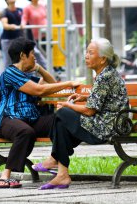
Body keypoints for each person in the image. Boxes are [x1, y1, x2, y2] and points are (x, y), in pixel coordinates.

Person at [34, 38, 129, 190]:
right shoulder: (106, 73)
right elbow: (106, 99)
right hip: (107, 122)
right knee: (61, 125)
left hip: (107, 127)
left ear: (103, 59)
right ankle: (62, 175)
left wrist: (67, 105)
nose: (86, 56)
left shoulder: (105, 76)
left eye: (91, 53)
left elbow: (89, 111)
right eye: (86, 52)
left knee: (63, 113)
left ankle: (55, 159)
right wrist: (85, 97)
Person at [0, 38, 81, 188]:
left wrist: (39, 68)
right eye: (32, 54)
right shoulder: (10, 73)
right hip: (7, 119)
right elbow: (39, 90)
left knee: (62, 119)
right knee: (25, 132)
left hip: (30, 120)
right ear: (22, 55)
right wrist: (69, 83)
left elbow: (51, 84)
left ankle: (54, 159)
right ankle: (8, 174)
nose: (35, 57)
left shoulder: (28, 78)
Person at [21, 0, 47, 69]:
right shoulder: (27, 8)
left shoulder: (43, 6)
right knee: (38, 54)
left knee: (48, 53)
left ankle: (51, 71)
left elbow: (46, 18)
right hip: (35, 37)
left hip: (45, 34)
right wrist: (23, 24)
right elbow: (24, 18)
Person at [0, 0, 23, 69]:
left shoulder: (20, 10)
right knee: (7, 61)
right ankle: (7, 80)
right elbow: (5, 25)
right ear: (6, 0)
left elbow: (25, 21)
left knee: (20, 60)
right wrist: (11, 26)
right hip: (7, 40)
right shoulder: (5, 12)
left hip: (18, 40)